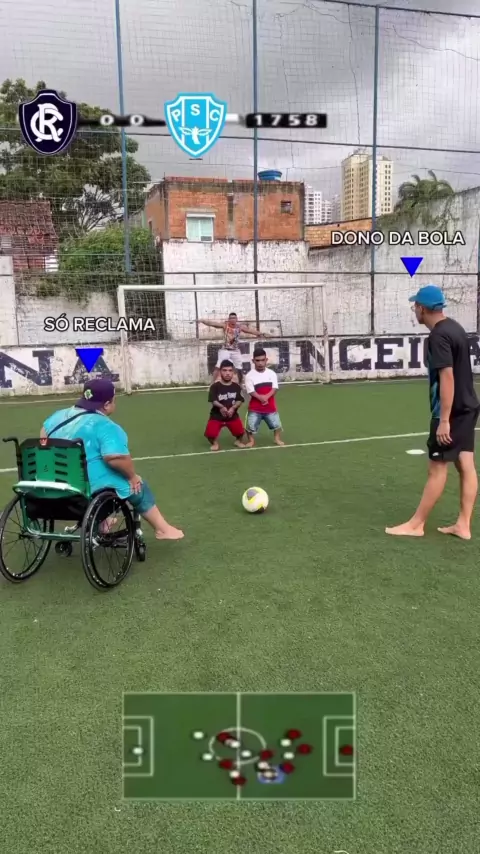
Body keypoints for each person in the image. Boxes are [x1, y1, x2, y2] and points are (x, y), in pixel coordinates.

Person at [386, 285, 479, 540]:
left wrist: (444, 420)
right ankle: (463, 525)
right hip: (468, 406)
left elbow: (447, 376)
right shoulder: (455, 328)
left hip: (452, 411)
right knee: (466, 464)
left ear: (422, 308)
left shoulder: (438, 335)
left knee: (437, 467)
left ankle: (416, 525)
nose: (414, 310)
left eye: (415, 306)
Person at [41, 379, 184, 541]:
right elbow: (115, 457)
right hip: (84, 490)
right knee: (137, 486)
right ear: (107, 404)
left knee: (99, 470)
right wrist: (132, 476)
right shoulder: (105, 425)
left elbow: (43, 441)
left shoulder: (56, 417)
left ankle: (104, 521)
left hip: (53, 485)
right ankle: (162, 529)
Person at [196, 312, 272, 384]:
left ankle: (240, 384)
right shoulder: (225, 326)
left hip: (235, 350)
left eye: (234, 318)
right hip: (225, 350)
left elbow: (250, 331)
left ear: (236, 319)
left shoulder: (240, 327)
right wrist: (203, 321)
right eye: (231, 318)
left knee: (239, 368)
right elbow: (213, 324)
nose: (232, 319)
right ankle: (212, 384)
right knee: (218, 366)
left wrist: (262, 334)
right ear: (229, 319)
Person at [244, 348, 284, 447]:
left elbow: (275, 388)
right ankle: (251, 441)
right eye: (257, 360)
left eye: (262, 360)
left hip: (270, 407)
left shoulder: (271, 374)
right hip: (255, 408)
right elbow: (251, 391)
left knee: (277, 425)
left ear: (266, 360)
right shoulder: (249, 376)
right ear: (253, 361)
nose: (260, 363)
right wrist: (261, 398)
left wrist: (266, 397)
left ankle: (277, 439)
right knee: (250, 427)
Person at [204, 359, 247, 451]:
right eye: (224, 370)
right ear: (220, 372)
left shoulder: (236, 387)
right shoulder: (215, 386)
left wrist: (233, 408)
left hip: (232, 416)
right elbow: (213, 400)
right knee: (210, 434)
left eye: (230, 370)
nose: (227, 373)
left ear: (233, 372)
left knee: (241, 432)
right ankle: (215, 443)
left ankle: (238, 441)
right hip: (217, 416)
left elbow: (239, 400)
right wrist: (222, 407)